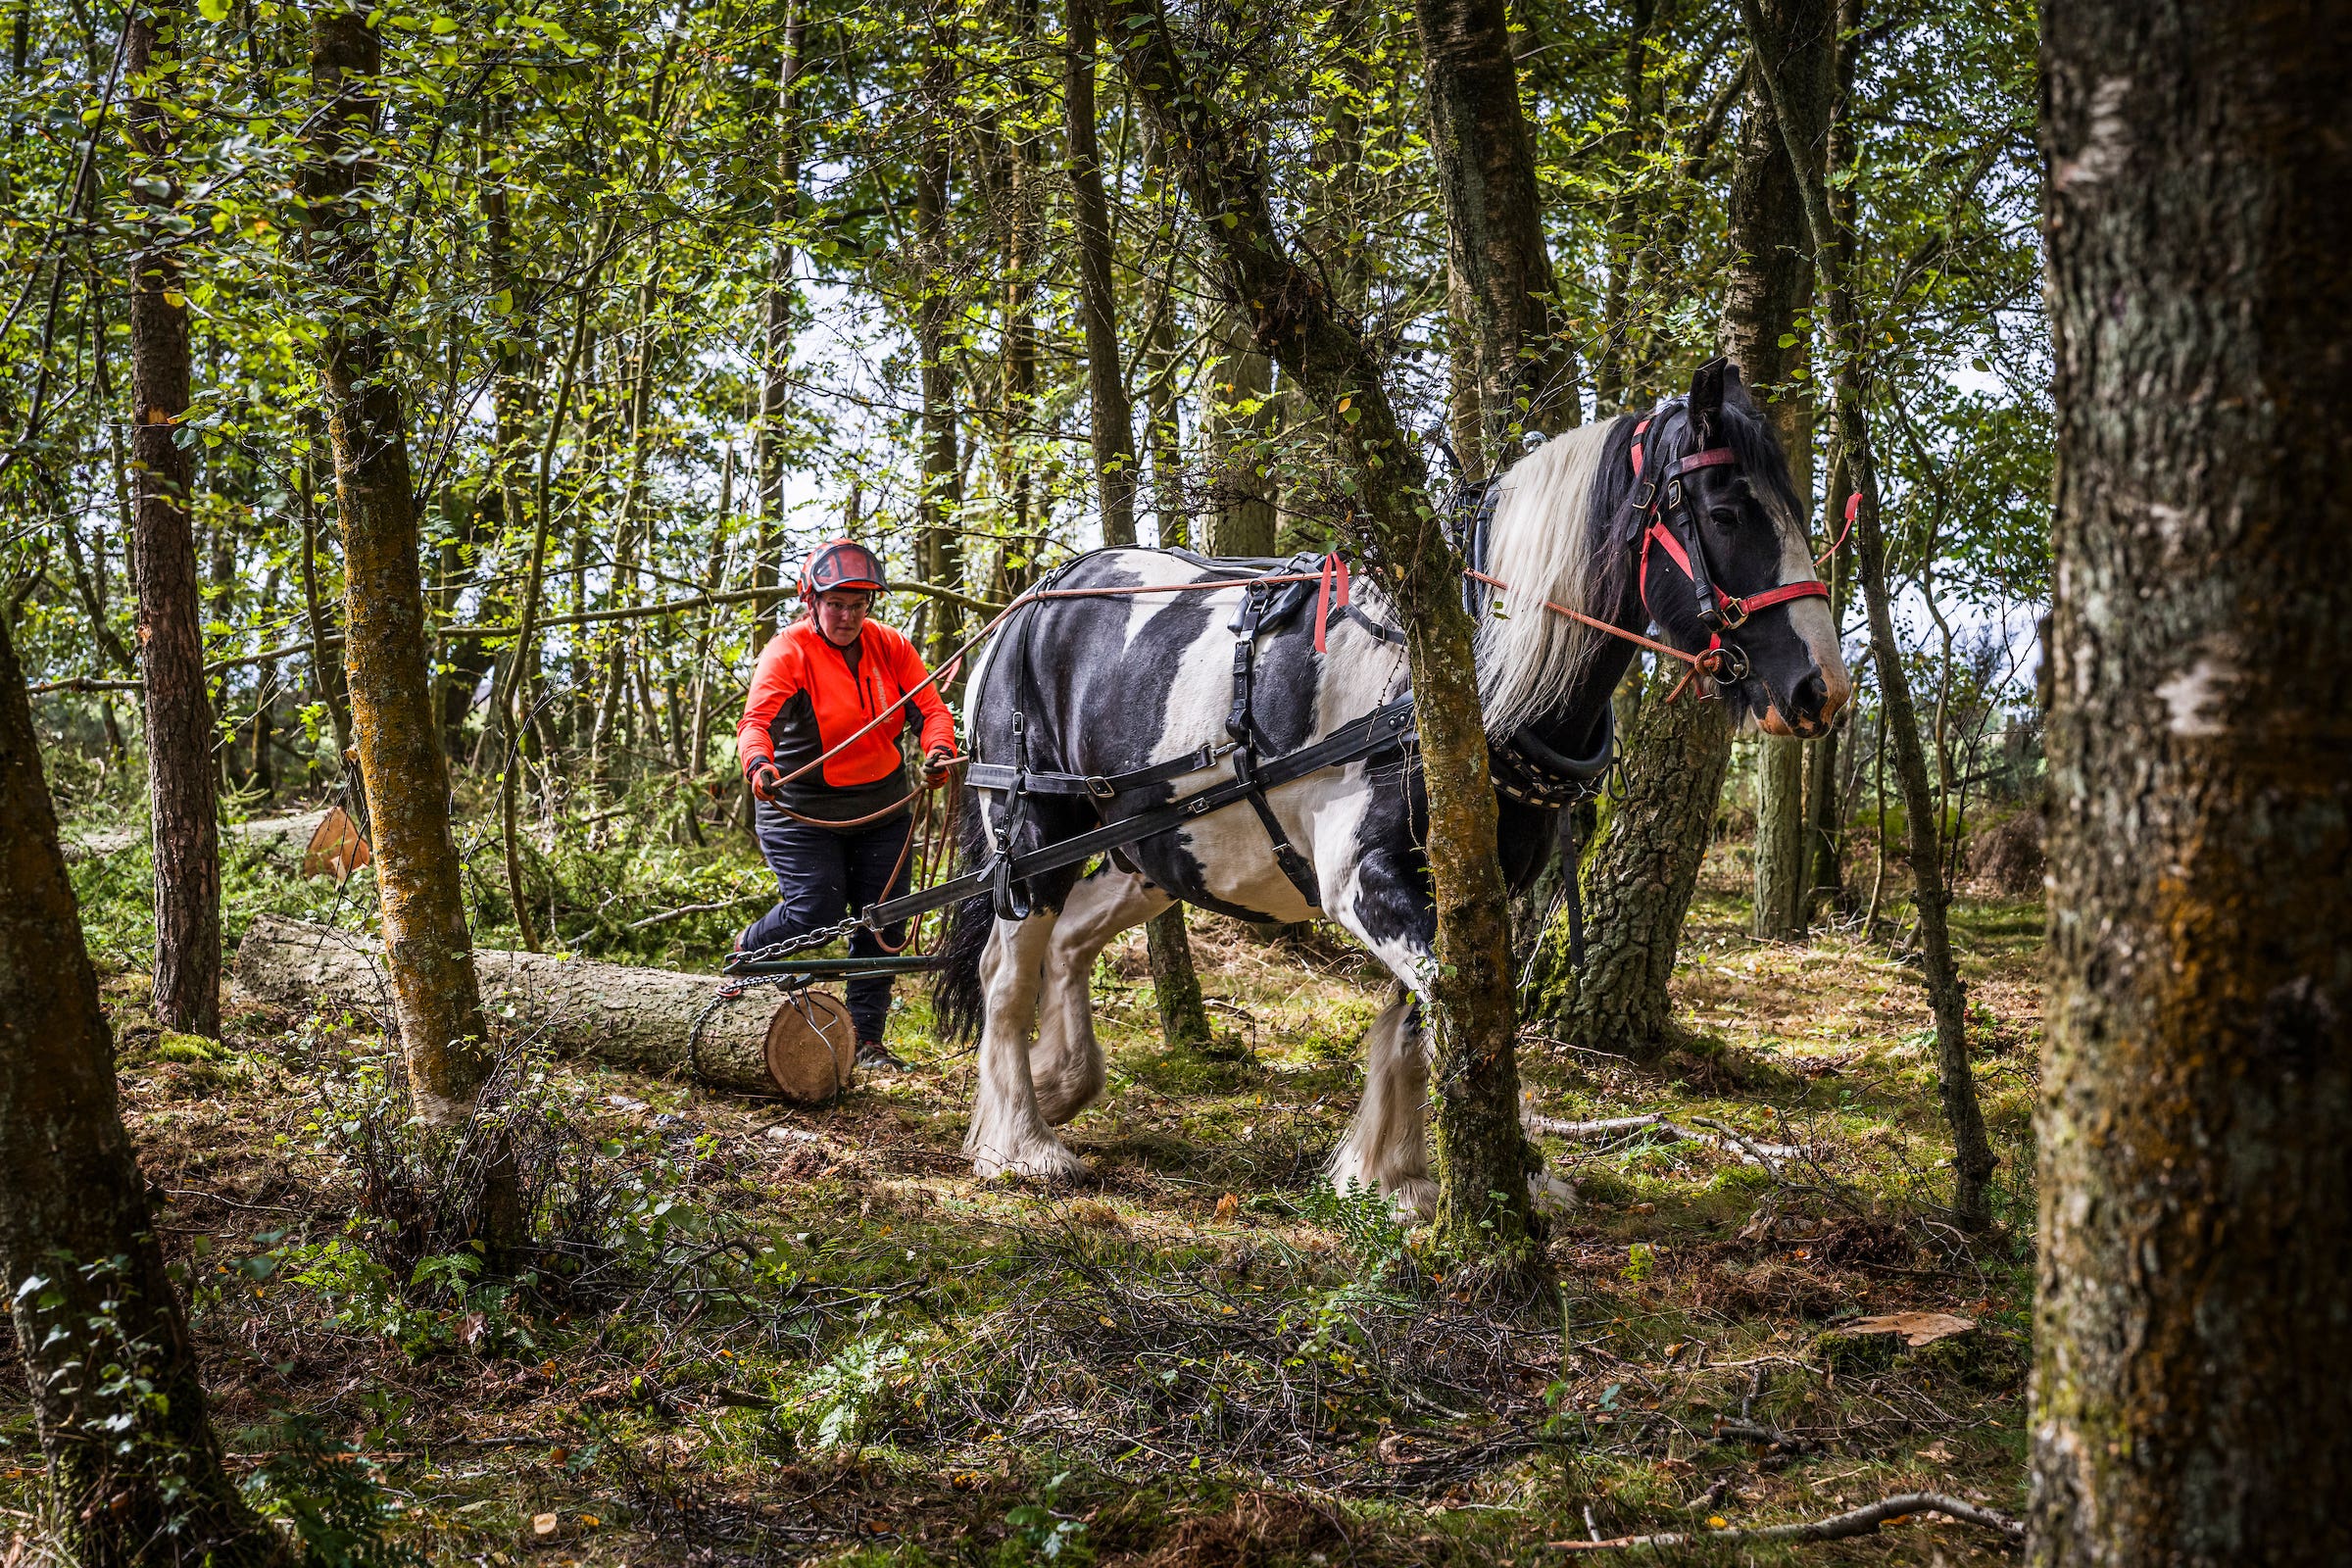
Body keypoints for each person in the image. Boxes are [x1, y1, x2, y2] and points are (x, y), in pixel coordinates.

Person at [737, 539, 957, 1070]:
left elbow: (931, 710)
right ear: (810, 601)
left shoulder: (892, 646)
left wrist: (939, 751)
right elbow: (756, 724)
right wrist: (758, 765)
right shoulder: (786, 651)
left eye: (858, 605)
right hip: (802, 810)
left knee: (883, 922)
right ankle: (746, 961)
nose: (847, 616)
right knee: (814, 909)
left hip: (882, 807)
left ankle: (866, 1041)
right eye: (836, 604)